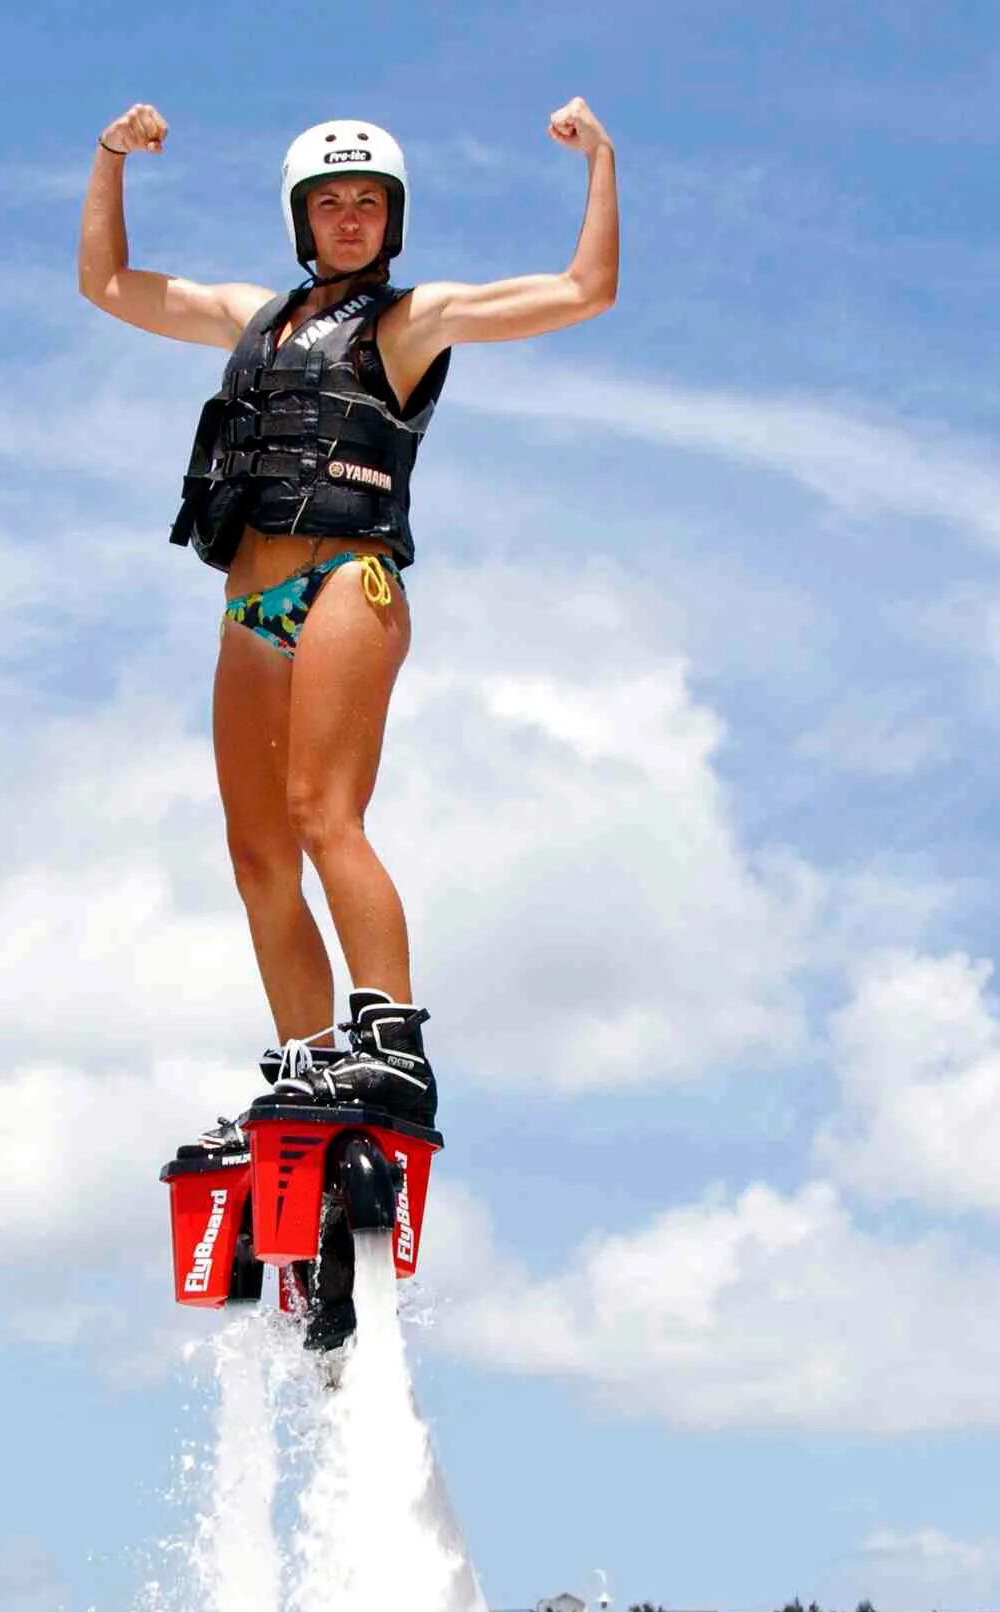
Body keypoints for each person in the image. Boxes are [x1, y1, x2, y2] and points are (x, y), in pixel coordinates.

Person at [79, 97, 620, 1138]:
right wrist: (111, 158)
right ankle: (309, 1065)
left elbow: (584, 290)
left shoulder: (411, 322)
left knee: (322, 812)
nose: (350, 217)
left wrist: (600, 161)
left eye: (369, 202)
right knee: (255, 850)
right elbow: (104, 283)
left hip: (348, 579)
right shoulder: (250, 317)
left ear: (393, 218)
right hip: (251, 600)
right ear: (301, 218)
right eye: (329, 202)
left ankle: (392, 1042)